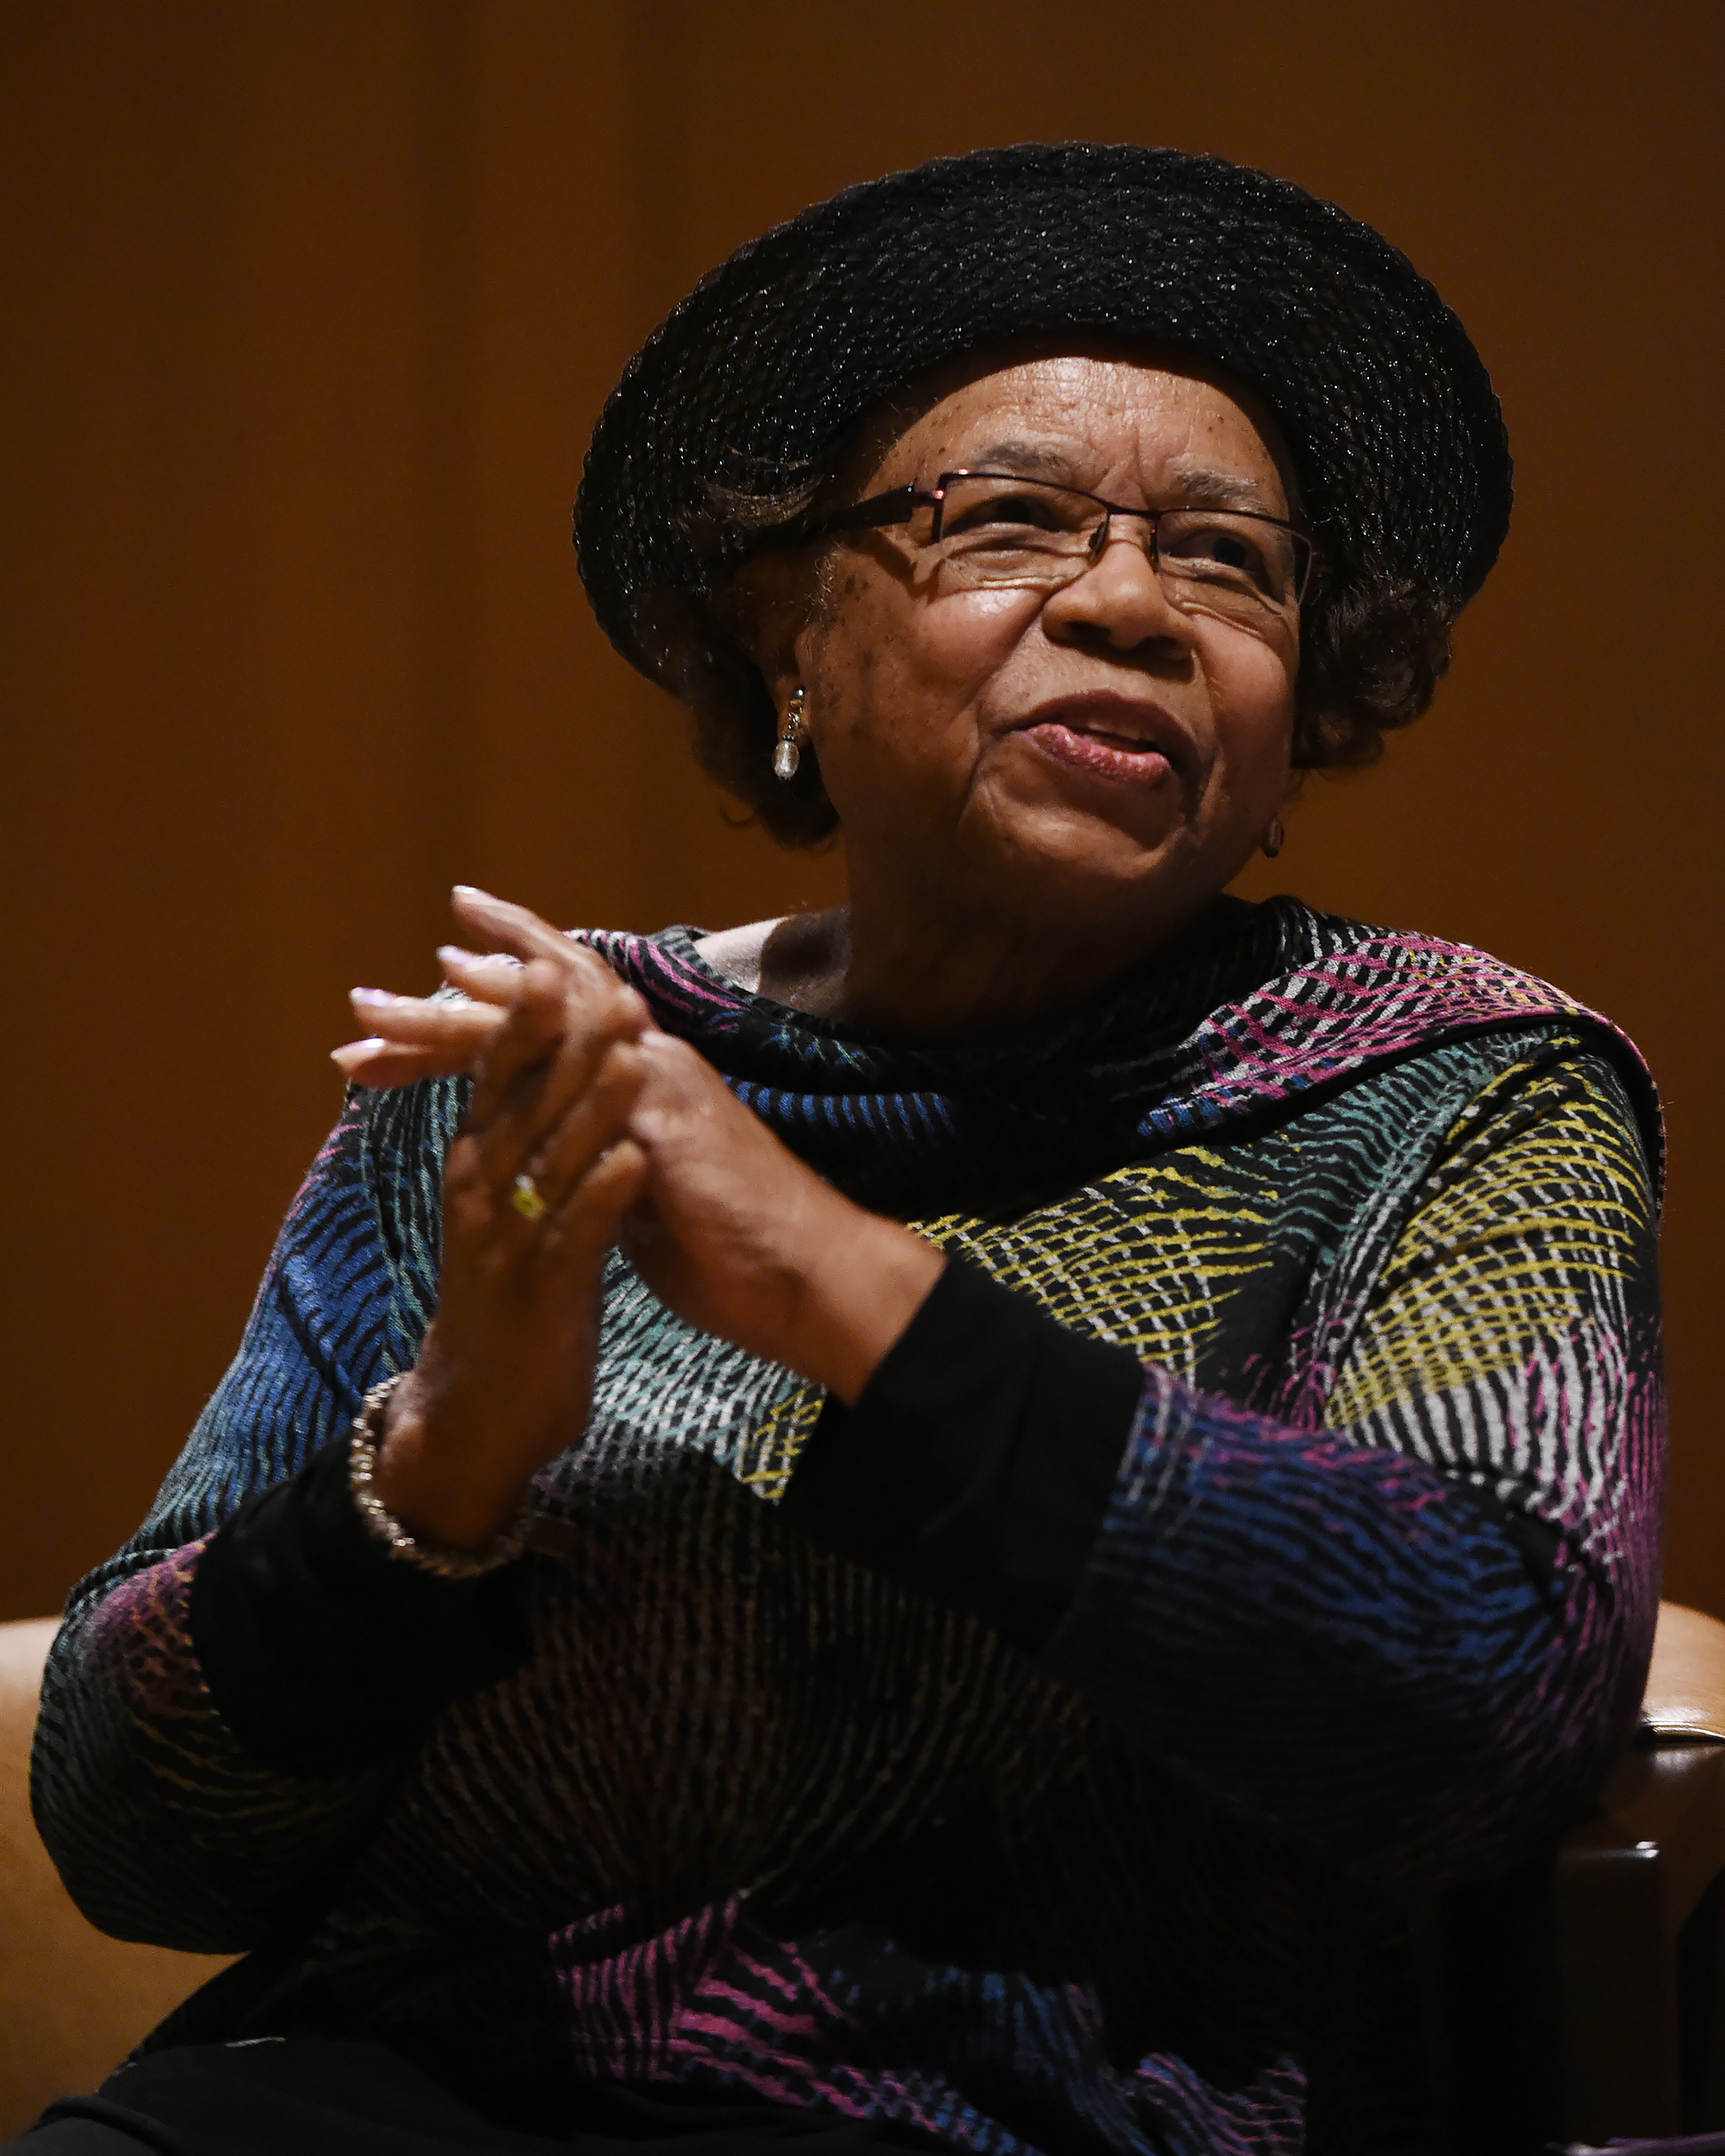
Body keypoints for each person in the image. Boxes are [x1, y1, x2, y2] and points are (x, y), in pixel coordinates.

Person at [23, 144, 1662, 2156]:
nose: (1127, 604)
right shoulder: (537, 1073)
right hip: (392, 2098)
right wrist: (441, 1464)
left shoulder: (1439, 1085)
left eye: (1229, 562)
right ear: (787, 636)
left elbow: (1496, 1705)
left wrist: (835, 1285)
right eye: (1011, 520)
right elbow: (129, 1835)